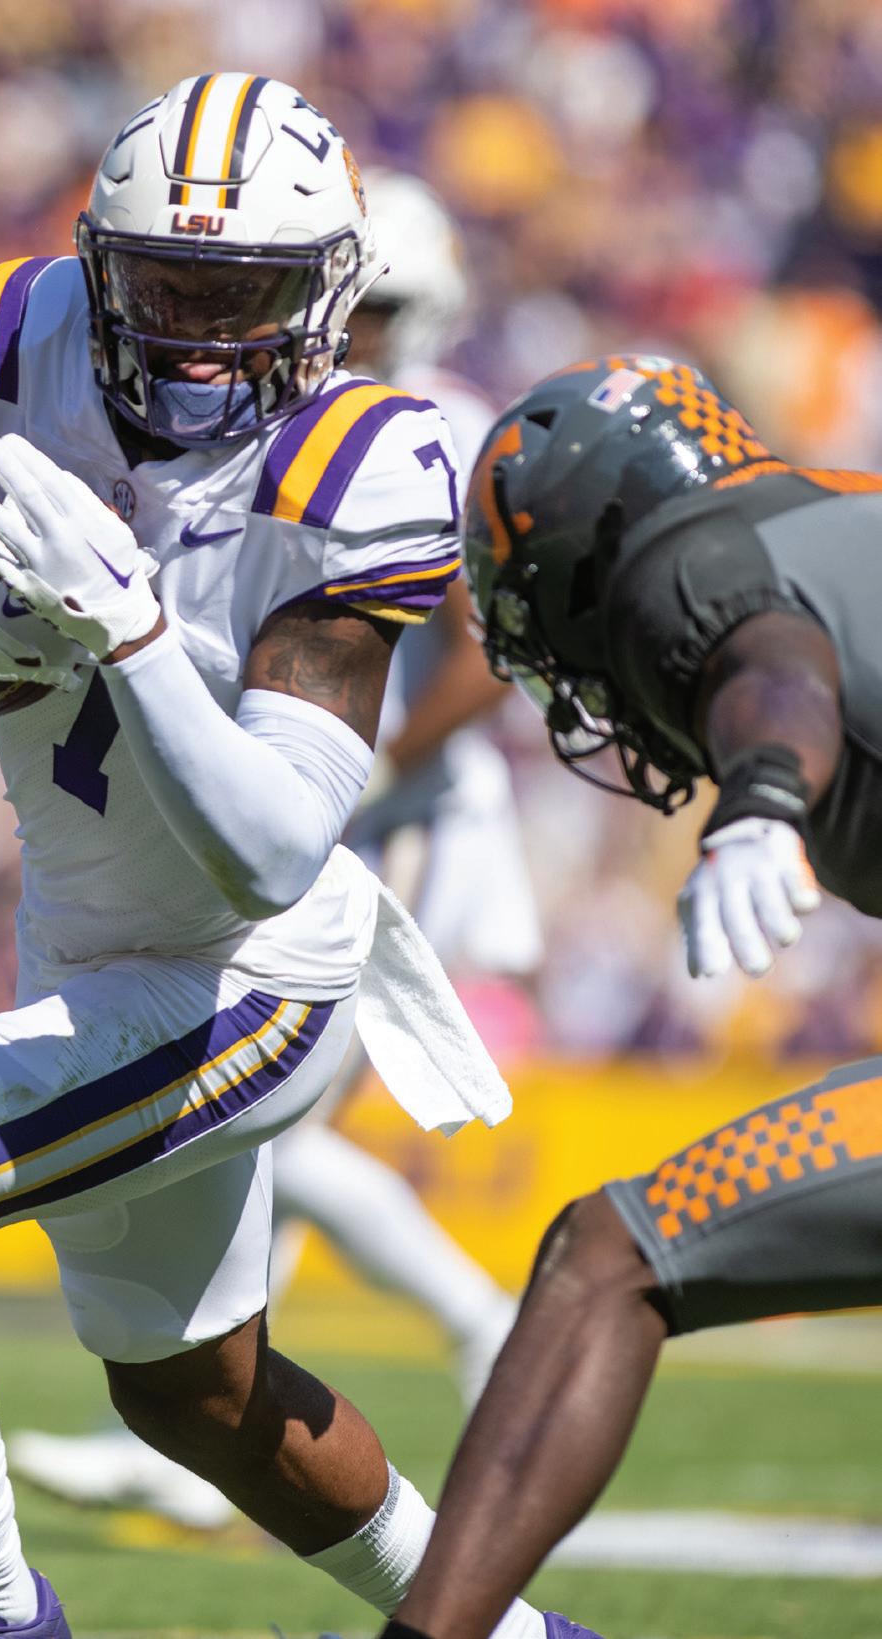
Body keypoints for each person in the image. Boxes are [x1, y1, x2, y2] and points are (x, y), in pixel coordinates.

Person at [0, 74, 529, 1639]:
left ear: (328, 296)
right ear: (96, 264)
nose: (198, 335)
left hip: (257, 969)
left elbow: (270, 853)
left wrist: (135, 635)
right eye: (165, 284)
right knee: (192, 1393)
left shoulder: (360, 457)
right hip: (87, 933)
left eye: (241, 295)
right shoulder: (6, 341)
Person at [7, 169, 536, 1533]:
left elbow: (487, 655)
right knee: (243, 1135)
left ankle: (480, 1323)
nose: (360, 332)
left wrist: (362, 774)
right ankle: (209, 1438)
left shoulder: (429, 430)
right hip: (276, 823)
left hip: (389, 822)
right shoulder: (224, 421)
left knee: (254, 1112)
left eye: (388, 310)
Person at [375, 354, 882, 1639]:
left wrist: (763, 797)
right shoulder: (835, 504)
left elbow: (774, 659)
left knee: (610, 1256)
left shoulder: (686, 562)